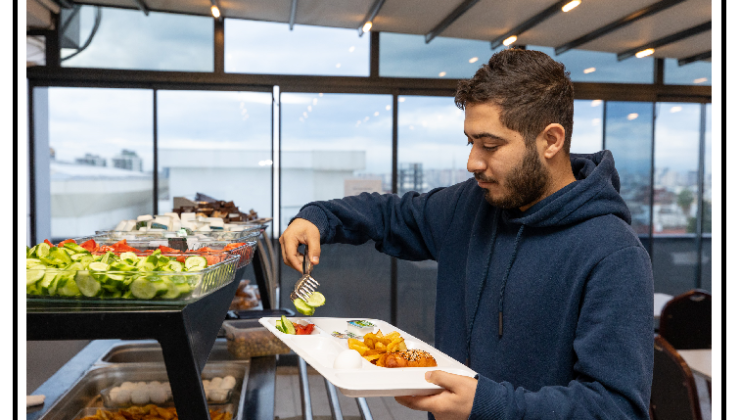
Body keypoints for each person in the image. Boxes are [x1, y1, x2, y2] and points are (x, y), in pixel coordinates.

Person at [280, 49, 653, 420]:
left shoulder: (613, 253)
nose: (473, 162)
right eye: (470, 142)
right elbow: (389, 213)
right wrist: (319, 218)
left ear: (551, 141)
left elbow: (616, 409)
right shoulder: (470, 205)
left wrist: (486, 406)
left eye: (490, 145)